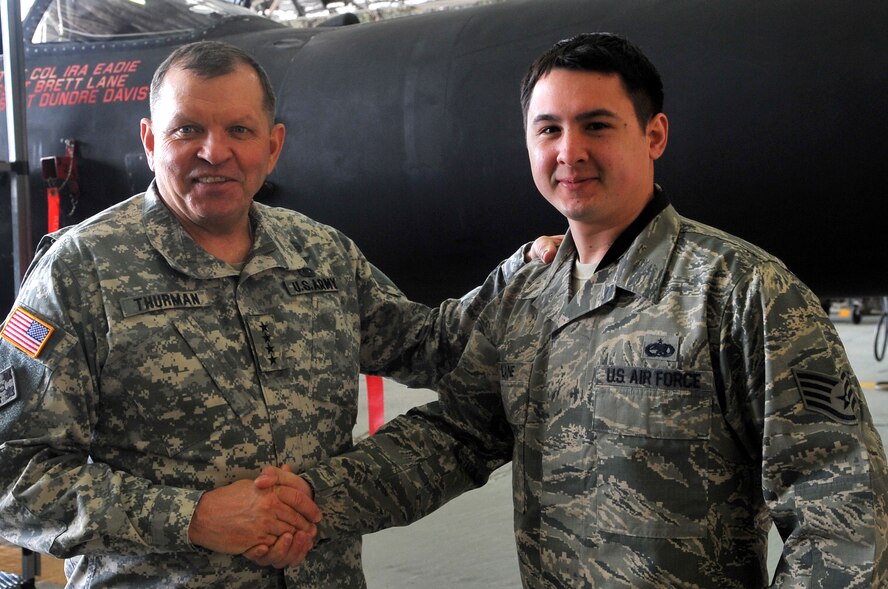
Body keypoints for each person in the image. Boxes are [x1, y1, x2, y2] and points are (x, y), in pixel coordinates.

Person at [267, 33, 888, 587]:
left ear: (654, 134)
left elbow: (843, 515)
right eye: (549, 129)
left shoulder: (741, 293)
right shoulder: (528, 294)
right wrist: (312, 499)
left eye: (597, 125)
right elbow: (459, 435)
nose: (570, 152)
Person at [0, 40, 556, 587]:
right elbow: (13, 477)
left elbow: (434, 348)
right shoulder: (80, 271)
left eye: (239, 130)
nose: (214, 152)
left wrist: (526, 270)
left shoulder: (321, 254)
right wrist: (191, 518)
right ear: (149, 141)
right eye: (187, 129)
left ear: (272, 145)